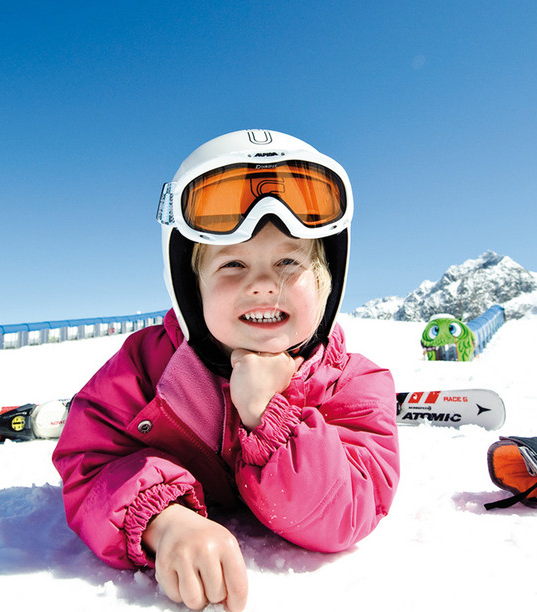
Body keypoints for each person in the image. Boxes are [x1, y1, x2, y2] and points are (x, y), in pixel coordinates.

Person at [52, 129, 400, 612]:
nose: (261, 284)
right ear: (192, 288)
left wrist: (269, 415)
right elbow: (89, 466)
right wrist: (165, 520)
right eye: (232, 264)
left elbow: (342, 514)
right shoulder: (146, 369)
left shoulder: (355, 385)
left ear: (327, 282)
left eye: (287, 261)